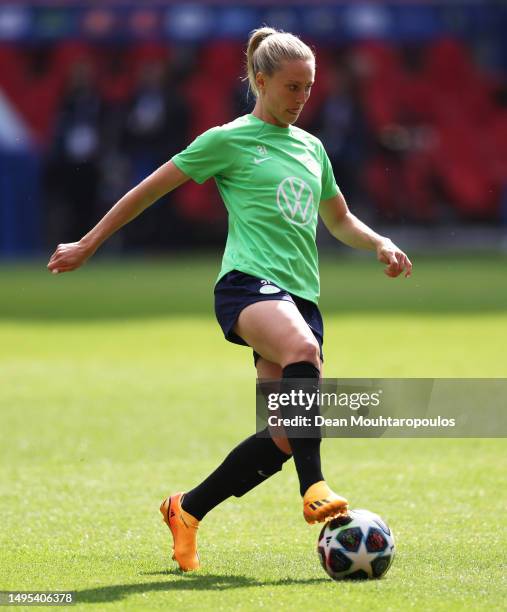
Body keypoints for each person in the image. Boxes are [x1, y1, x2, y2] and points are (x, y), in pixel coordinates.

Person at [47, 27, 412, 572]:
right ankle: (314, 488)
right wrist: (89, 242)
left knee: (284, 438)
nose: (300, 98)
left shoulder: (312, 148)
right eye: (291, 86)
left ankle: (187, 509)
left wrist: (379, 241)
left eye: (308, 88)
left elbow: (338, 220)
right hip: (247, 285)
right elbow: (149, 189)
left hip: (301, 295)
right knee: (303, 351)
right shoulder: (227, 139)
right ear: (260, 81)